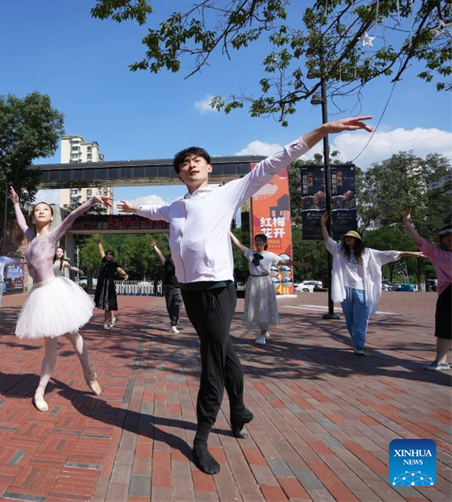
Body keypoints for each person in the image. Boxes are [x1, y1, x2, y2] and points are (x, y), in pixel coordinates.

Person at [118, 116, 375, 475]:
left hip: (218, 289)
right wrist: (131, 208)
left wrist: (322, 131)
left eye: (196, 160)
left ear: (209, 167)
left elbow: (276, 160)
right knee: (224, 350)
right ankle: (238, 409)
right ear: (179, 175)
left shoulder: (228, 192)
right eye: (183, 163)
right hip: (189, 291)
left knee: (210, 357)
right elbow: (150, 211)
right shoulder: (174, 207)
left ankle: (201, 437)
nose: (190, 165)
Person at [11, 186, 107, 412]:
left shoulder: (53, 235)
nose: (41, 211)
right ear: (33, 216)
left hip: (55, 291)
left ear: (52, 216)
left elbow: (72, 216)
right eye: (37, 209)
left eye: (46, 209)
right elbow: (21, 224)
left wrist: (92, 201)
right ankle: (40, 391)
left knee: (74, 336)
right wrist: (16, 203)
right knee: (51, 347)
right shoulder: (30, 237)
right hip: (39, 294)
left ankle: (88, 371)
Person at [321, 211, 423, 356]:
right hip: (345, 290)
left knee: (361, 320)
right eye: (347, 238)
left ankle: (359, 345)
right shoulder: (339, 251)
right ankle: (356, 341)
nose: (348, 239)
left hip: (362, 291)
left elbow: (389, 254)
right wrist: (322, 224)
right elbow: (327, 240)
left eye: (351, 237)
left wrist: (411, 253)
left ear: (358, 240)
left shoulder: (368, 253)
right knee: (349, 321)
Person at [229, 231, 311, 345]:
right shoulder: (250, 253)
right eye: (256, 240)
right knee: (255, 306)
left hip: (264, 282)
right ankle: (263, 329)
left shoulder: (270, 255)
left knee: (264, 307)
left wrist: (301, 264)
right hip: (253, 281)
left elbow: (285, 261)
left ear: (265, 242)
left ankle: (263, 333)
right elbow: (237, 243)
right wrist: (229, 231)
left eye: (260, 241)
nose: (258, 242)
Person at [403, 211, 452, 370]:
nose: (450, 238)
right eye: (446, 236)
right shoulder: (436, 253)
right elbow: (418, 239)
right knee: (444, 328)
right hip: (446, 294)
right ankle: (441, 361)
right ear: (442, 238)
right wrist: (407, 223)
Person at [93, 239, 129, 330]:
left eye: (111, 254)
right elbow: (101, 251)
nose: (109, 256)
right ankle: (111, 319)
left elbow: (120, 270)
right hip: (102, 286)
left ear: (113, 256)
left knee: (107, 306)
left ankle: (107, 322)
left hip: (109, 287)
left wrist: (125, 274)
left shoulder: (114, 264)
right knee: (106, 305)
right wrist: (99, 243)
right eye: (108, 254)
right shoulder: (104, 261)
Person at [150, 240, 182, 334]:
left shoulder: (181, 264)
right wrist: (155, 247)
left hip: (178, 289)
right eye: (172, 256)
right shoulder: (166, 264)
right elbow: (160, 255)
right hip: (168, 288)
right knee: (170, 307)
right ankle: (173, 323)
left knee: (178, 305)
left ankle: (174, 324)